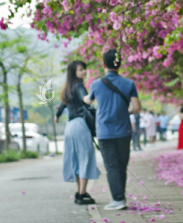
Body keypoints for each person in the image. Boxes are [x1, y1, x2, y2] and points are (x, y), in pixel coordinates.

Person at [89, 48, 141, 211]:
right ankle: (121, 198)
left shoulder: (96, 84)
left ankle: (118, 199)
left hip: (105, 132)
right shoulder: (129, 83)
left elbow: (88, 101)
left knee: (111, 166)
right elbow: (137, 107)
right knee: (121, 165)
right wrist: (127, 111)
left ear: (103, 64)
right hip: (124, 131)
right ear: (120, 65)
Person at [55, 60, 99, 205]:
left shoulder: (68, 87)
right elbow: (85, 98)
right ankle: (81, 194)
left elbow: (62, 104)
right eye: (81, 70)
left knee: (77, 159)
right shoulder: (79, 85)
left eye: (84, 69)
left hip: (70, 126)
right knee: (85, 158)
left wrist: (57, 115)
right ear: (74, 72)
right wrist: (91, 97)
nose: (84, 72)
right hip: (81, 125)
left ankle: (80, 191)